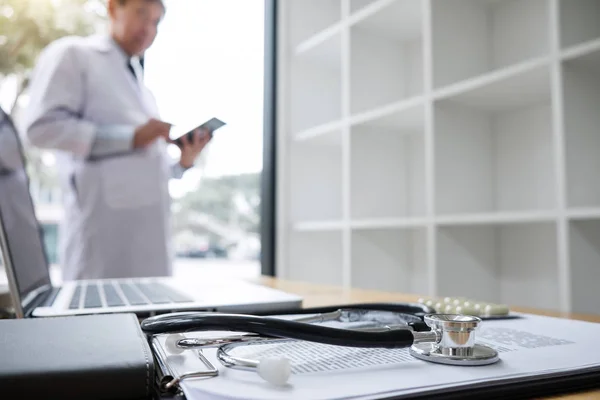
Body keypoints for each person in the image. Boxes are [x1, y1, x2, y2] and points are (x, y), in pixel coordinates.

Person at [23, 0, 210, 280]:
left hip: (150, 249)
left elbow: (144, 173)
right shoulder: (74, 55)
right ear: (113, 8)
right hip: (103, 247)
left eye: (156, 22)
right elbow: (40, 128)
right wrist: (130, 138)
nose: (149, 29)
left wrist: (183, 164)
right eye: (142, 14)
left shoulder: (144, 92)